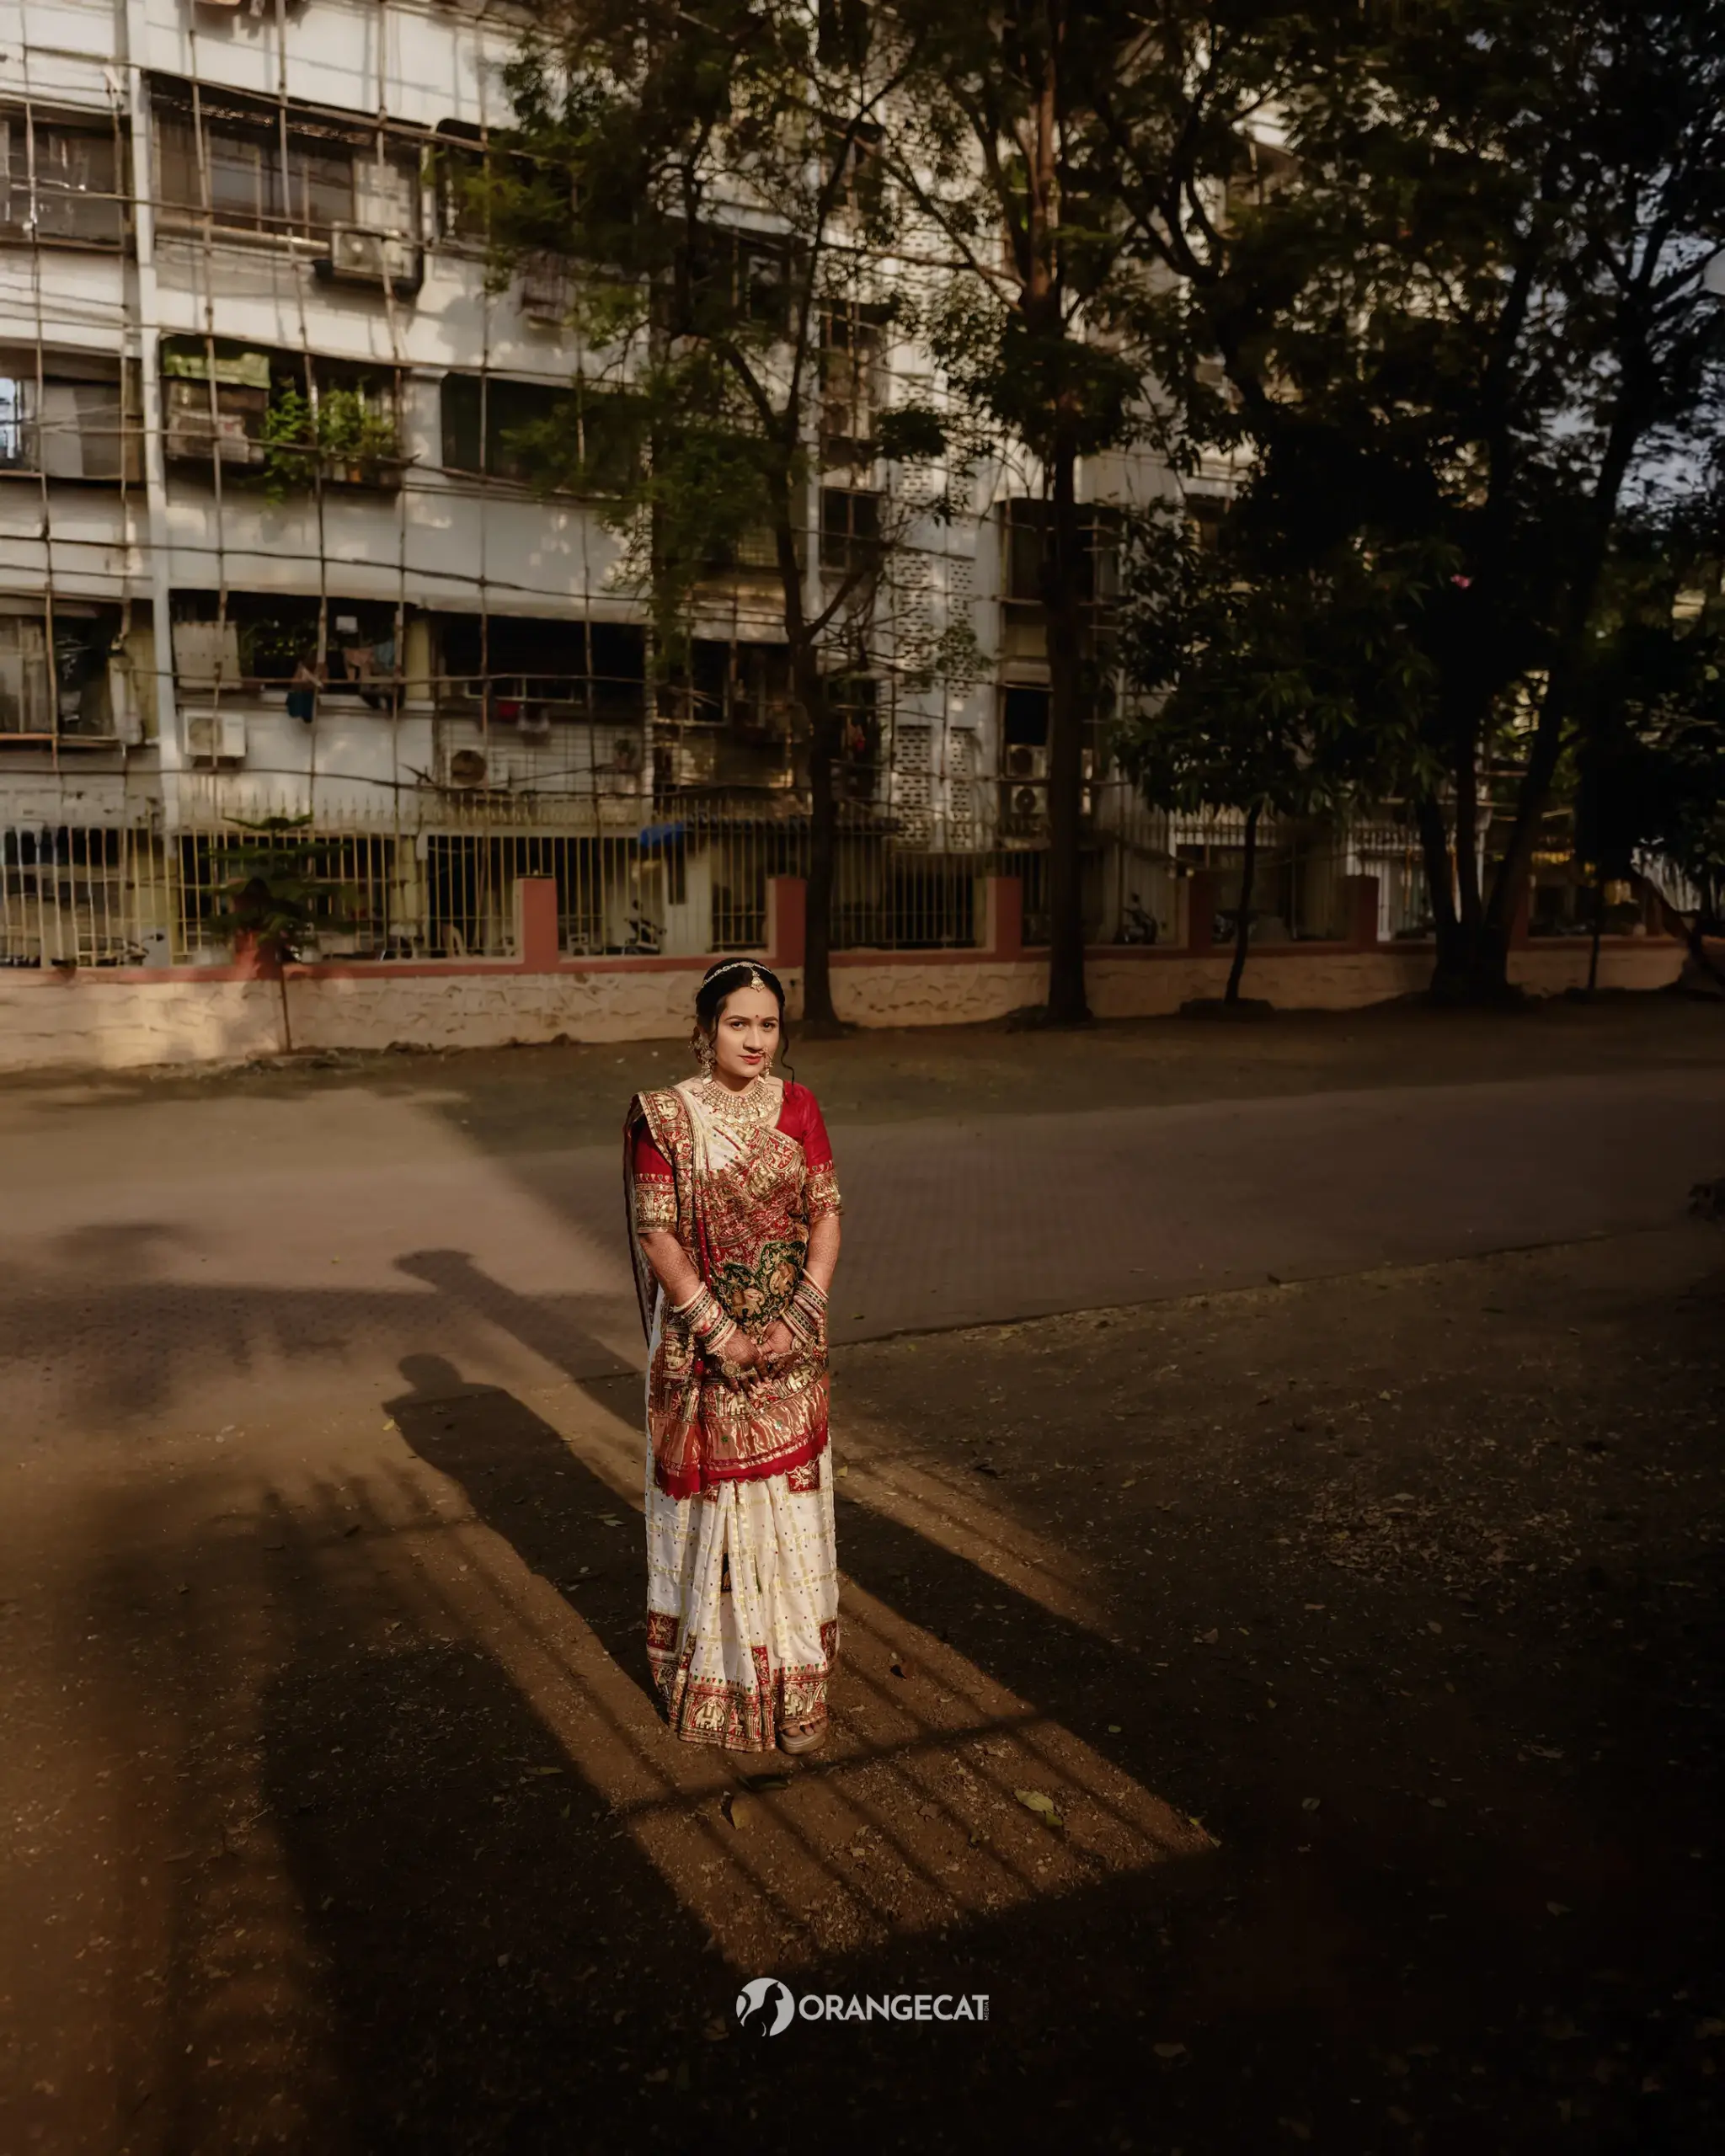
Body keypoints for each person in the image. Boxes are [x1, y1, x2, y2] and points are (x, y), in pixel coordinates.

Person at [624, 959, 843, 1753]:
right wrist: (720, 1333)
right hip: (702, 1347)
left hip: (790, 1344)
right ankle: (723, 1682)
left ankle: (797, 1681)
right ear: (705, 1029)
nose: (756, 1040)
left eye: (768, 1025)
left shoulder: (800, 1106)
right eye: (738, 1023)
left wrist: (800, 1315)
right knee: (714, 1508)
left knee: (790, 1510)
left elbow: (826, 1214)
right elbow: (657, 1234)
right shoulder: (666, 1117)